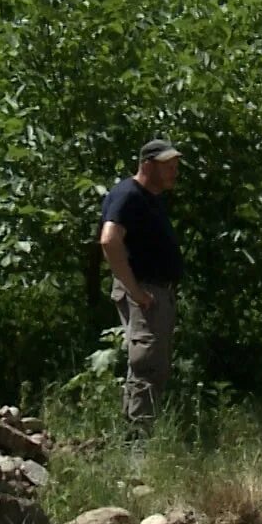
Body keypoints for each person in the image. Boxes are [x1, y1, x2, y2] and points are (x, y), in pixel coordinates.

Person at [99, 139, 185, 425]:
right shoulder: (129, 195)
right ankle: (138, 444)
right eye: (168, 166)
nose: (174, 171)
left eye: (175, 166)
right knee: (146, 364)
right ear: (147, 165)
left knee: (153, 364)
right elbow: (110, 240)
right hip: (146, 293)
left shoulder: (150, 197)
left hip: (157, 292)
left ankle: (138, 434)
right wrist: (135, 291)